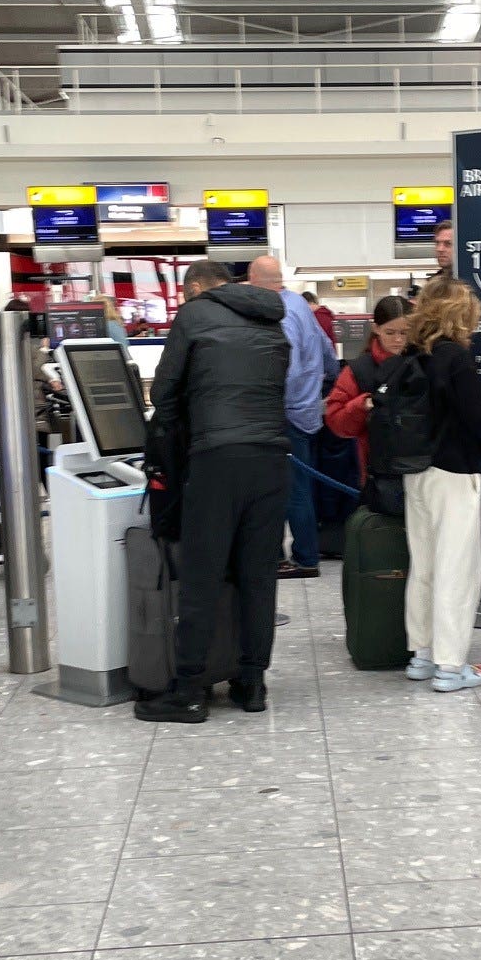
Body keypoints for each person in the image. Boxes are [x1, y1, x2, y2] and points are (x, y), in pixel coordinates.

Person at [138, 259, 291, 723]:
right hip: (271, 458)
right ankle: (252, 682)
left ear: (197, 287)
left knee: (202, 575)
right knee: (258, 576)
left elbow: (163, 393)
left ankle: (188, 689)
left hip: (216, 458)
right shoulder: (272, 315)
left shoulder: (194, 313)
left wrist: (180, 433)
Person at [403, 277, 481, 693]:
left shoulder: (413, 354)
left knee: (425, 566)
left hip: (416, 470)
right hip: (454, 472)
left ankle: (423, 655)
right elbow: (477, 416)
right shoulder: (456, 357)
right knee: (457, 569)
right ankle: (451, 666)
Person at [248, 254, 332, 580]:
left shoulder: (278, 313)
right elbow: (326, 350)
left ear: (257, 282)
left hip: (287, 413)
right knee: (300, 487)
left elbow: (289, 368)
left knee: (289, 490)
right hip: (307, 410)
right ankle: (304, 553)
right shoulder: (298, 303)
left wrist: (268, 404)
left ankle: (304, 558)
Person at [324, 294, 411, 475]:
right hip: (379, 471)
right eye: (390, 332)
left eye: (404, 332)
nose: (398, 339)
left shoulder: (426, 362)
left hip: (425, 468)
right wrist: (363, 404)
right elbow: (336, 422)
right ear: (376, 329)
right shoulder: (358, 370)